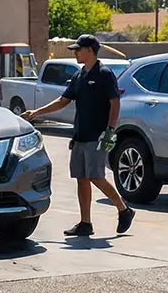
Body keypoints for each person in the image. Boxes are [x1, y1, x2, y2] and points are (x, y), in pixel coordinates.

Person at [22, 35, 135, 237]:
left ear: (90, 50)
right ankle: (85, 223)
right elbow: (63, 100)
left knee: (96, 177)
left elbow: (114, 102)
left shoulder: (104, 74)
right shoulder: (80, 75)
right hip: (80, 135)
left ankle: (124, 210)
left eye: (78, 49)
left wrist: (110, 130)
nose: (75, 53)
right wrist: (36, 113)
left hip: (97, 135)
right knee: (82, 179)